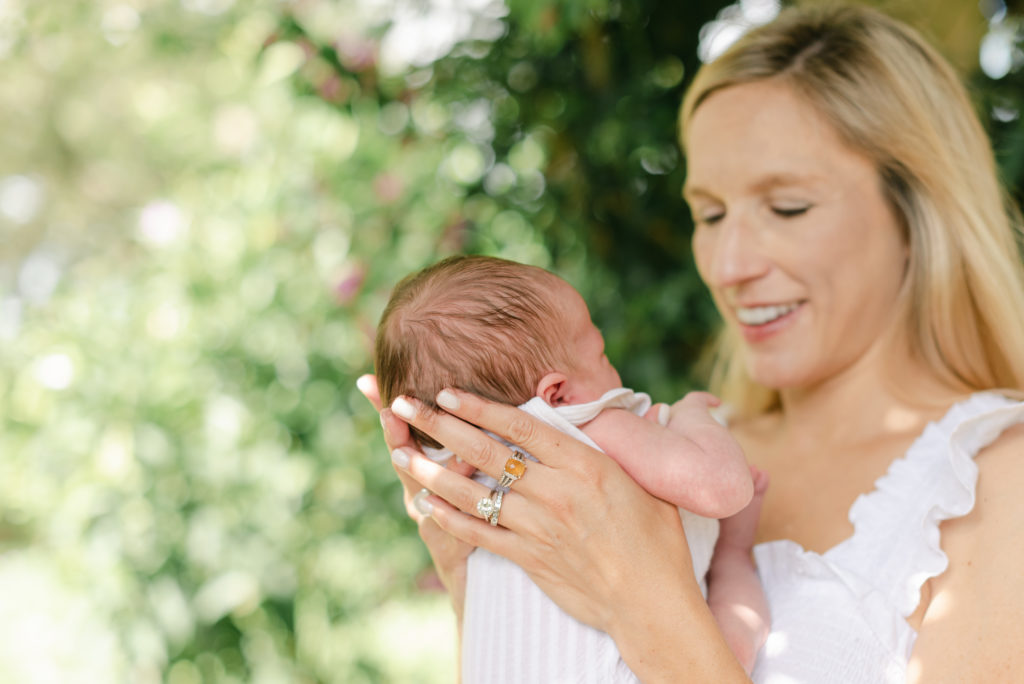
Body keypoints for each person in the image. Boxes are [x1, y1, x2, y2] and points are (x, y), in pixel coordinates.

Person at [359, 4, 1024, 682]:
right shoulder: (662, 447)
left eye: (787, 207)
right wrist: (476, 576)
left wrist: (642, 600)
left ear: (916, 210)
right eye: (708, 213)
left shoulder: (998, 483)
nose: (728, 265)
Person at [373, 254, 770, 678]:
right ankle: (732, 559)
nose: (611, 366)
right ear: (557, 395)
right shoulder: (593, 427)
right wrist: (692, 414)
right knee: (737, 634)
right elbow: (723, 488)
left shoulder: (453, 480)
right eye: (600, 353)